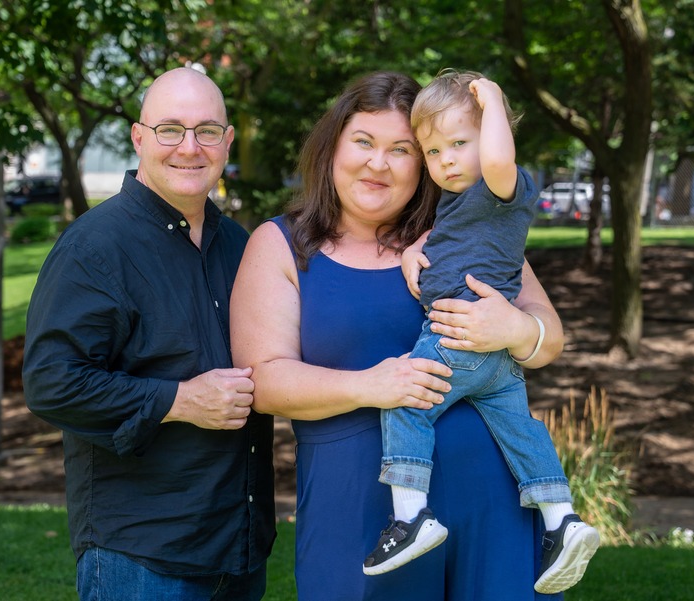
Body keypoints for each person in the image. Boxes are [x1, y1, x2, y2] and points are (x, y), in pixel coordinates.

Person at [231, 70, 566, 600]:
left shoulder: (470, 230)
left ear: (428, 161)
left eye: (402, 149)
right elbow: (264, 382)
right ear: (332, 149)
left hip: (493, 506)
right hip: (361, 512)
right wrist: (370, 386)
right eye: (363, 142)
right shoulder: (280, 245)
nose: (378, 163)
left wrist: (518, 328)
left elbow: (549, 343)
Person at [22, 67, 274, 601]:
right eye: (170, 130)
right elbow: (50, 382)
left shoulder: (240, 246)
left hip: (239, 545)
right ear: (139, 138)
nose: (189, 147)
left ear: (227, 142)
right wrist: (179, 400)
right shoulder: (94, 248)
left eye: (207, 130)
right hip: (142, 556)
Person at [361, 70, 598, 593]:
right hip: (495, 363)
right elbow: (454, 233)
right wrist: (416, 249)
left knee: (406, 401)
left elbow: (496, 158)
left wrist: (490, 100)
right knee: (521, 431)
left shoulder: (501, 182)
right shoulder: (468, 201)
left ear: (495, 135)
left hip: (459, 339)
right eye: (432, 151)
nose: (445, 160)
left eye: (458, 144)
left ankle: (410, 517)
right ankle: (562, 520)